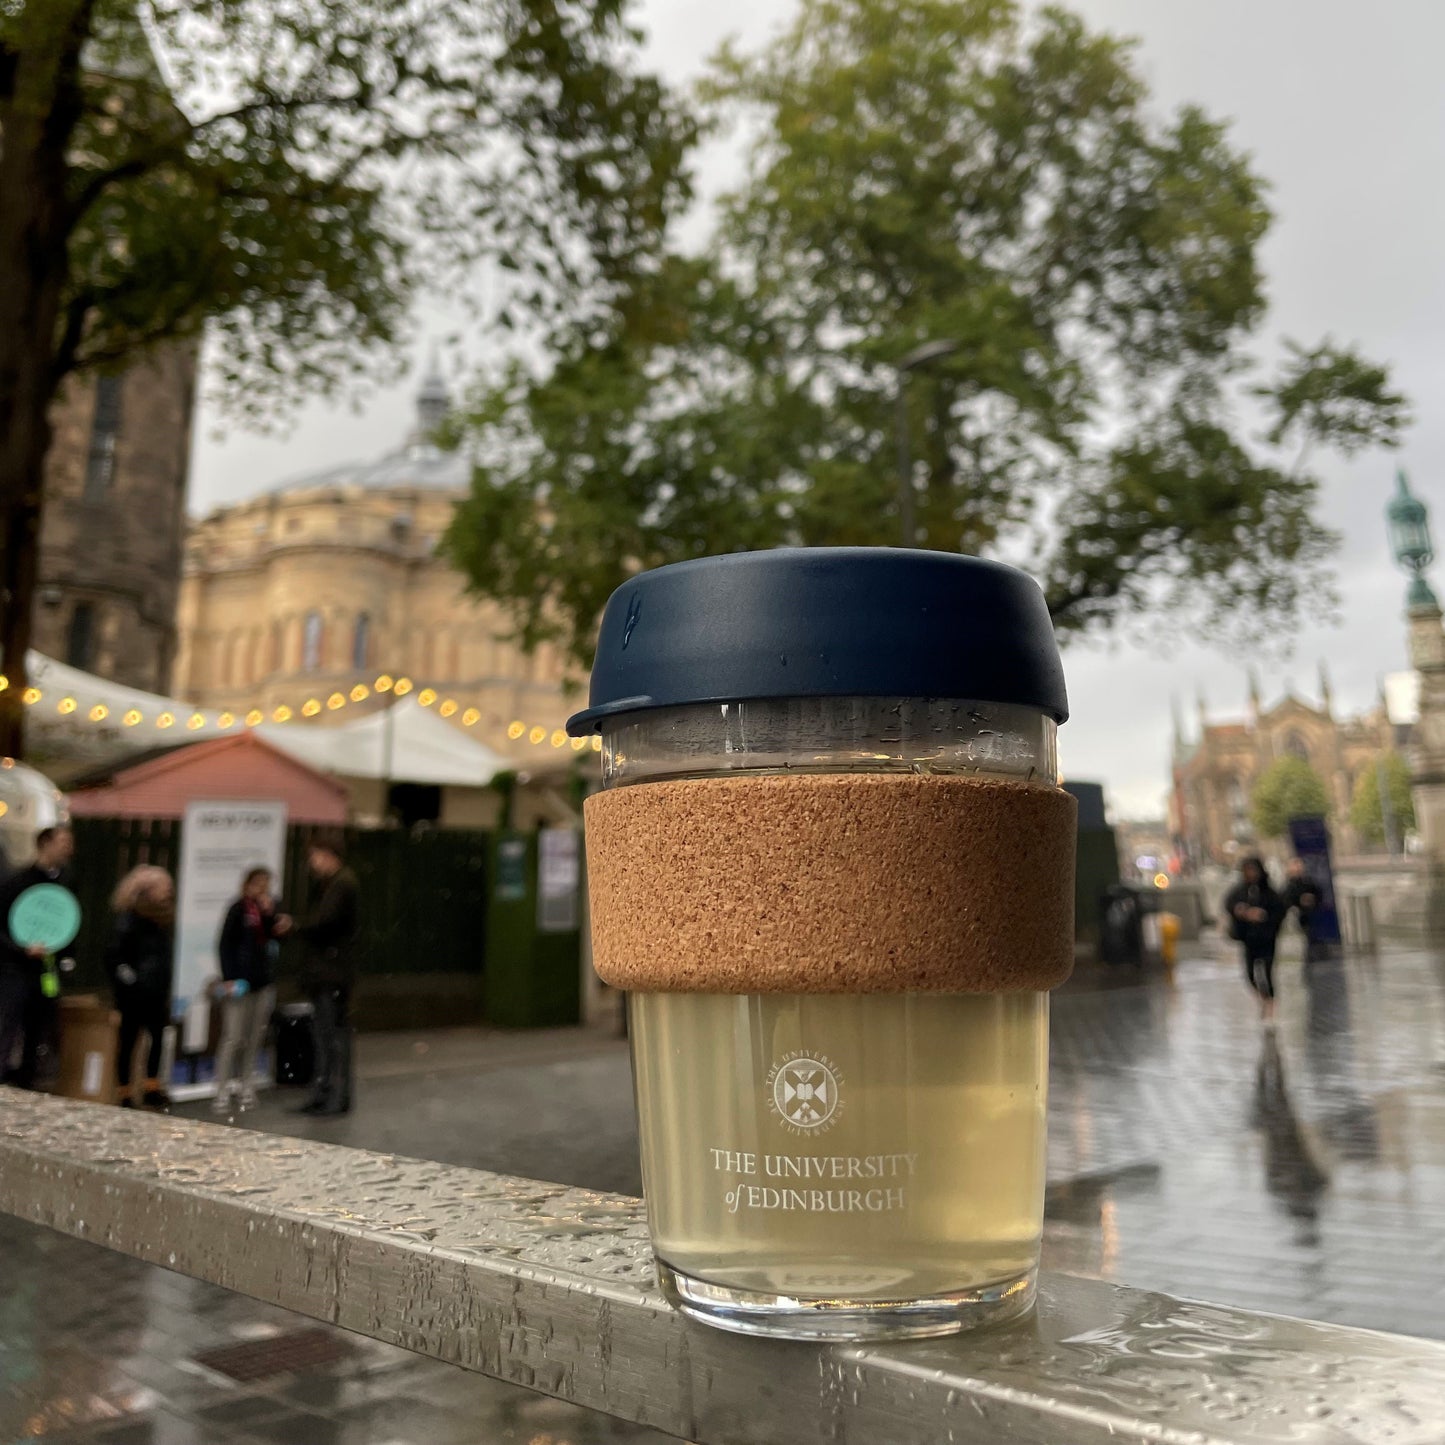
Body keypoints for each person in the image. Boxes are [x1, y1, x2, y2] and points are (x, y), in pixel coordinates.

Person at [0, 825, 76, 1088]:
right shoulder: (17, 882)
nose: (69, 847)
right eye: (63, 841)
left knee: (38, 1027)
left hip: (46, 971)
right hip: (16, 969)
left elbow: (70, 925)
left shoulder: (65, 882)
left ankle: (27, 1081)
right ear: (45, 843)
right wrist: (21, 949)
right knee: (9, 1025)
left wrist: (65, 956)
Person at [294, 831, 359, 1116]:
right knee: (329, 1036)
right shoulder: (336, 883)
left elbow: (326, 923)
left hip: (330, 974)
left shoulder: (340, 884)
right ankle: (327, 1094)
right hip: (330, 972)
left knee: (331, 1036)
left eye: (315, 856)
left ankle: (333, 1095)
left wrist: (296, 927)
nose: (312, 863)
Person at [213, 865, 283, 1112]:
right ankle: (221, 1089)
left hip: (262, 982)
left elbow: (278, 937)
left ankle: (246, 1084)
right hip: (239, 983)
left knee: (255, 1037)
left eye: (266, 884)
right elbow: (224, 945)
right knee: (233, 1037)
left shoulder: (271, 909)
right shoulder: (238, 909)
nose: (261, 889)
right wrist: (228, 977)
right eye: (257, 884)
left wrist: (269, 915)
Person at [105, 865, 176, 1108]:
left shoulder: (161, 919)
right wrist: (131, 982)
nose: (168, 892)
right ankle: (124, 1091)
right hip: (134, 995)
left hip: (156, 991)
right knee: (129, 1040)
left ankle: (151, 1085)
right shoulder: (129, 921)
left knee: (156, 1038)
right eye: (163, 887)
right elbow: (115, 957)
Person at [1223, 856, 1285, 1025]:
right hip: (1248, 939)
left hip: (1267, 939)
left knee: (1267, 972)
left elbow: (1279, 911)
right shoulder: (1239, 891)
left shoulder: (1269, 893)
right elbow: (1229, 903)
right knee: (1250, 974)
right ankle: (1263, 998)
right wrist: (1241, 912)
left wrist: (1263, 917)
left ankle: (1270, 1007)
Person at [1281, 858, 1322, 959]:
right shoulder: (1288, 886)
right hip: (1295, 918)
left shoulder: (1308, 883)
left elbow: (1318, 895)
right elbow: (1284, 900)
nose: (1297, 869)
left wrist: (1311, 900)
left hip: (1308, 917)